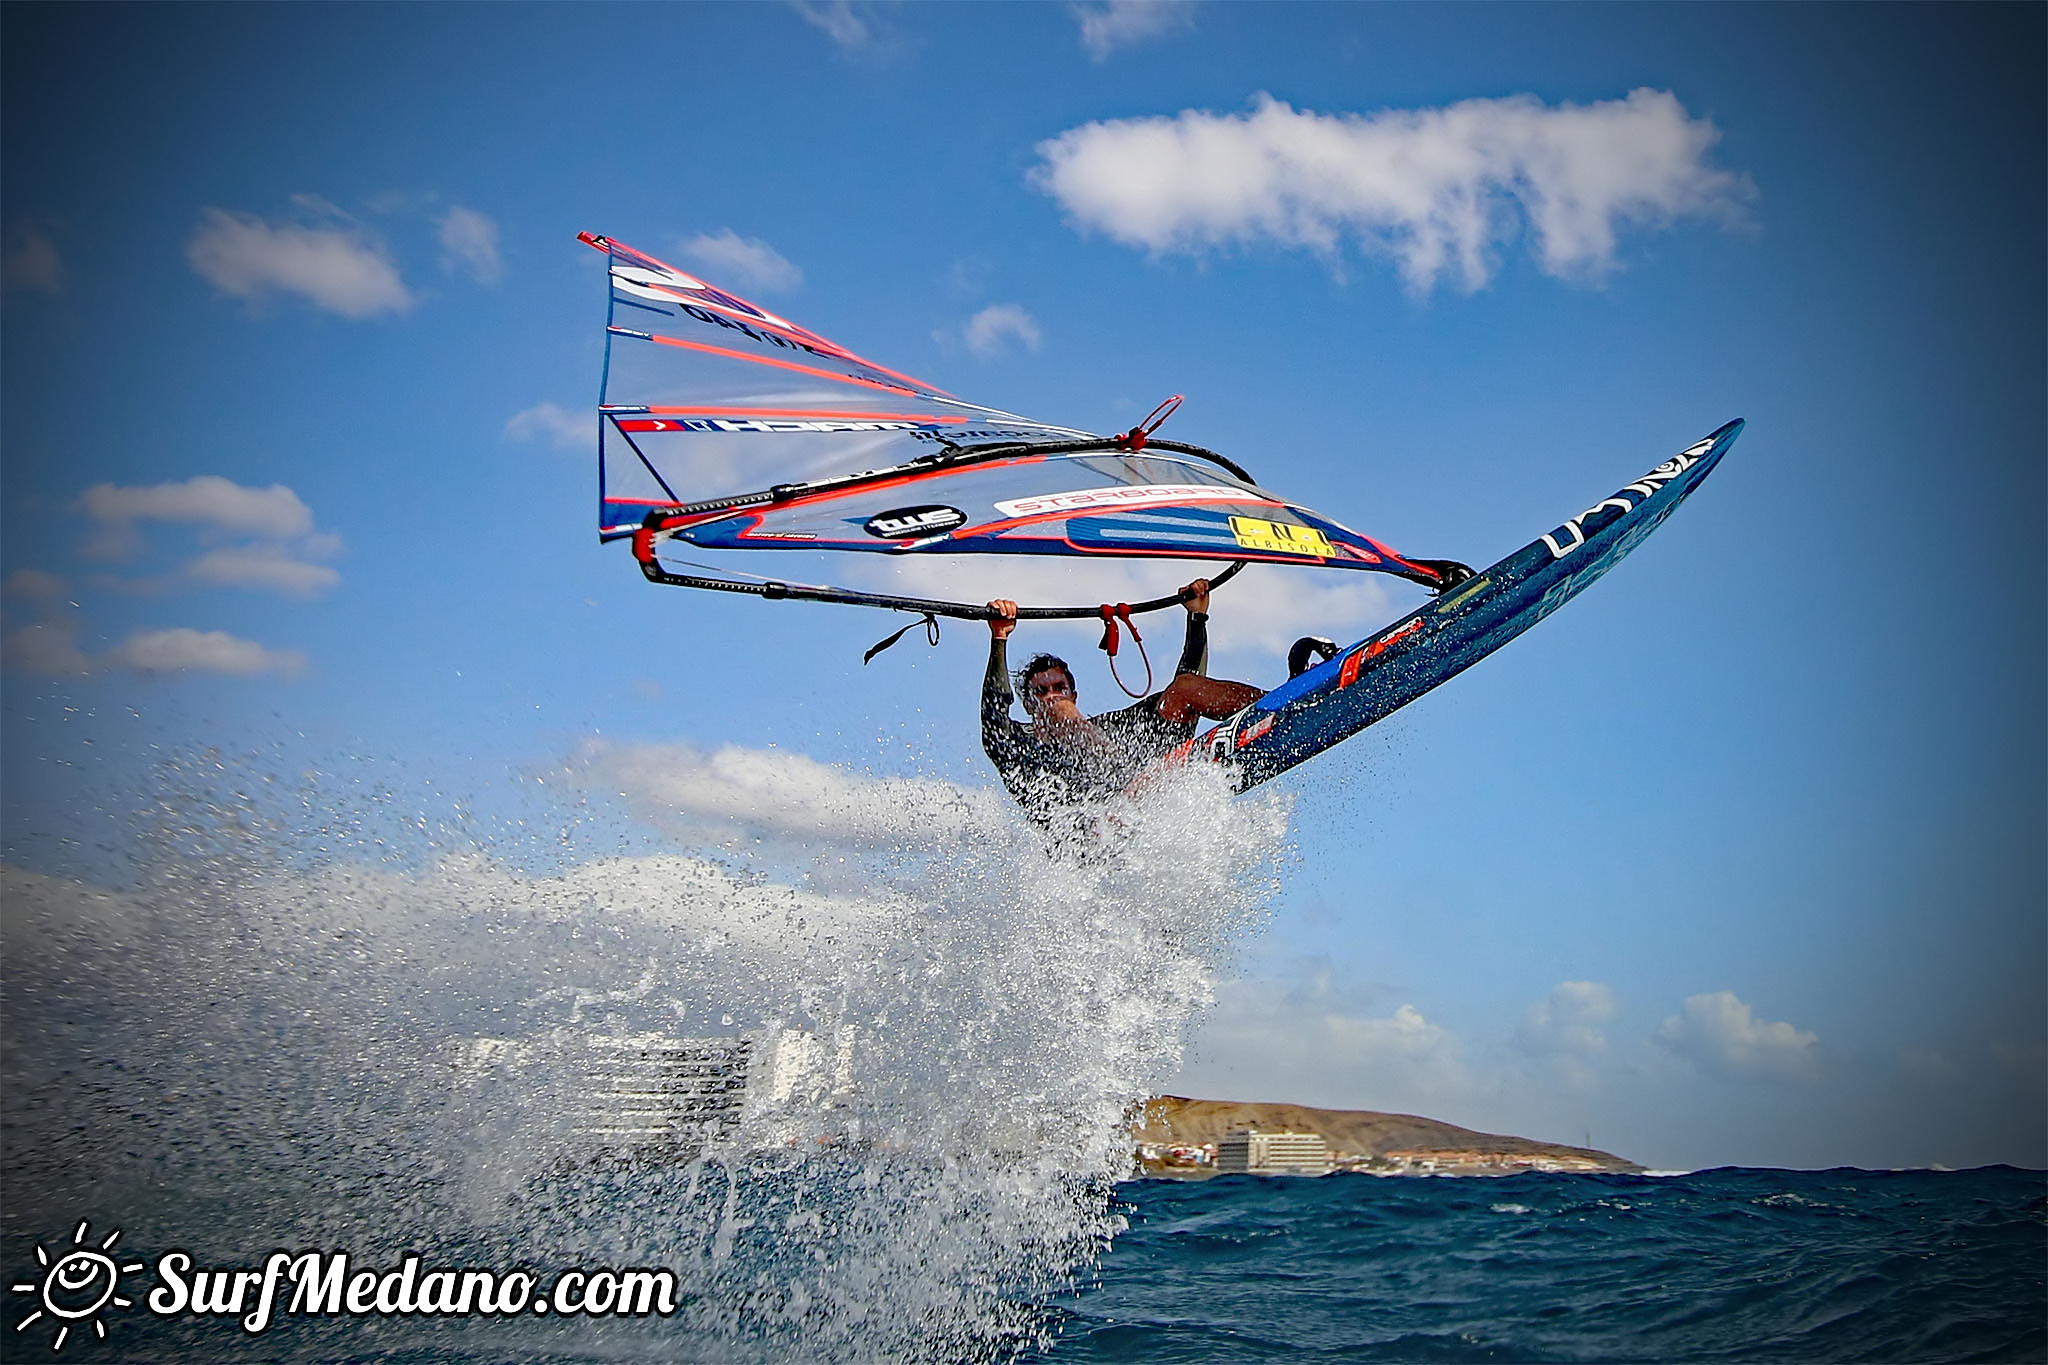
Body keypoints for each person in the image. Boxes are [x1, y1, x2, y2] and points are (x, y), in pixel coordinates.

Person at [981, 578, 1264, 819]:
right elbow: (993, 715)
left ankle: (1278, 702)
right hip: (1084, 844)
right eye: (1041, 692)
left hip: (1140, 801)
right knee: (1061, 715)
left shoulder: (1112, 730)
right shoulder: (1018, 748)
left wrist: (1197, 618)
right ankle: (1121, 781)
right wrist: (999, 638)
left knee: (1185, 689)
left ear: (1075, 695)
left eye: (1059, 688)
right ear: (1029, 706)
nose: (1052, 697)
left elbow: (1186, 691)